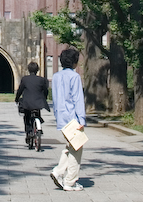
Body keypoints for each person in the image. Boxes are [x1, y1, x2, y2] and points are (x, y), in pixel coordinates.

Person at [50, 49, 86, 192]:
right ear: (75, 62)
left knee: (70, 146)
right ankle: (70, 181)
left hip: (61, 117)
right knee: (77, 148)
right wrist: (81, 118)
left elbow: (54, 98)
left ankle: (58, 172)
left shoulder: (56, 76)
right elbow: (78, 99)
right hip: (73, 118)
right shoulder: (75, 77)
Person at [15, 61, 50, 148]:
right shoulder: (42, 80)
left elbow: (20, 90)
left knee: (27, 118)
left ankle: (29, 132)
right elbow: (46, 91)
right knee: (37, 113)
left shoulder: (25, 79)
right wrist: (44, 99)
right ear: (37, 70)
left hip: (27, 103)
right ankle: (39, 127)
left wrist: (17, 99)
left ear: (28, 70)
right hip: (38, 103)